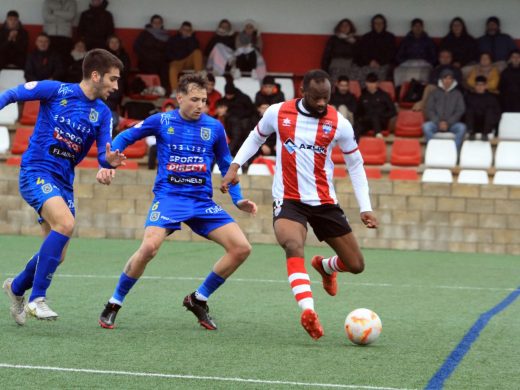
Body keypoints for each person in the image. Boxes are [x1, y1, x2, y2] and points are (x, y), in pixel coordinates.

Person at [220, 69, 378, 340]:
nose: (321, 103)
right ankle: (308, 311)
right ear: (303, 92)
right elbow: (256, 137)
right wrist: (235, 165)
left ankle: (326, 267)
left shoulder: (339, 123)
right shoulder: (278, 113)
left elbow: (355, 164)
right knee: (293, 244)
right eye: (316, 98)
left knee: (356, 264)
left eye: (325, 98)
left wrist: (365, 206)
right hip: (289, 199)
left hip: (324, 202)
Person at [97, 73, 257, 330]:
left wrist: (238, 200)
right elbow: (126, 137)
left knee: (242, 248)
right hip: (170, 198)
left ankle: (198, 299)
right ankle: (114, 303)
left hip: (201, 202)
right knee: (149, 248)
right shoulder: (161, 121)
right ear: (179, 98)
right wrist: (108, 161)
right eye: (194, 99)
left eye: (204, 100)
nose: (200, 105)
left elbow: (228, 166)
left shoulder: (214, 127)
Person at [1, 48, 126, 325]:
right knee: (66, 225)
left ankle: (17, 288)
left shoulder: (103, 114)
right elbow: (11, 95)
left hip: (63, 182)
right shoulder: (55, 91)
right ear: (96, 75)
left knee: (58, 255)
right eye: (113, 79)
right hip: (36, 170)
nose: (116, 87)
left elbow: (103, 154)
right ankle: (37, 299)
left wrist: (111, 163)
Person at [423, 68, 466, 150]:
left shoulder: (458, 94)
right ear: (441, 80)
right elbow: (429, 109)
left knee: (462, 128)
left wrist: (448, 123)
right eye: (445, 78)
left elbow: (460, 110)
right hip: (436, 123)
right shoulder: (434, 93)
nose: (447, 80)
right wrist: (438, 122)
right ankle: (434, 149)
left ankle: (455, 151)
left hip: (452, 124)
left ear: (453, 80)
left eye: (450, 78)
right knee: (426, 127)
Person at [394, 18, 436, 87]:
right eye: (415, 26)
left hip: (423, 63)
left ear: (423, 28)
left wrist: (425, 61)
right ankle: (401, 90)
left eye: (420, 26)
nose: (418, 28)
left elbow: (433, 56)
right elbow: (399, 56)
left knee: (427, 73)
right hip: (408, 63)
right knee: (397, 71)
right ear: (412, 28)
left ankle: (423, 90)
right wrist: (407, 61)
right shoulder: (405, 41)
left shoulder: (428, 41)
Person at [355, 14, 396, 82]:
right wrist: (370, 62)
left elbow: (391, 53)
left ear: (384, 24)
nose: (378, 25)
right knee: (359, 72)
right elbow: (362, 52)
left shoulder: (390, 37)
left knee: (381, 72)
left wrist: (380, 62)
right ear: (372, 25)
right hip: (368, 64)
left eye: (381, 23)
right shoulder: (366, 37)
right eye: (376, 23)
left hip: (383, 64)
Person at [133, 14, 170, 90]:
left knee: (164, 68)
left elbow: (169, 50)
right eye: (155, 22)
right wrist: (146, 56)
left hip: (160, 60)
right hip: (146, 59)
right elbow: (136, 47)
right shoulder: (144, 34)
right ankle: (151, 90)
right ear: (151, 23)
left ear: (162, 24)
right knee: (150, 67)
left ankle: (163, 91)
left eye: (159, 22)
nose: (157, 24)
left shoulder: (166, 35)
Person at [166, 21, 203, 94]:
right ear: (180, 30)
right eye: (184, 29)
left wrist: (190, 38)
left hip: (188, 61)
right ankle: (175, 91)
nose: (186, 32)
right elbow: (168, 52)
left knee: (197, 52)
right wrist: (174, 58)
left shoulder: (193, 39)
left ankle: (198, 81)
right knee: (172, 69)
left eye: (188, 30)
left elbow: (195, 48)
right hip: (177, 61)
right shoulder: (173, 39)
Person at [355, 72, 396, 139]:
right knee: (357, 128)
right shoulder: (363, 96)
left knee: (374, 115)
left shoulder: (384, 95)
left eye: (373, 83)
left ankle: (378, 135)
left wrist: (382, 115)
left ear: (377, 83)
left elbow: (393, 111)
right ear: (366, 83)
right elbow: (358, 112)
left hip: (381, 122)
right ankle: (353, 147)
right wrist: (361, 119)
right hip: (367, 122)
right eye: (369, 82)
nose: (371, 85)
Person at [465, 76, 500, 141]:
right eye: (477, 85)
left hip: (487, 126)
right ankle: (471, 132)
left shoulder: (492, 98)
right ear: (475, 86)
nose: (480, 87)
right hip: (473, 125)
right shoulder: (469, 97)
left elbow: (497, 113)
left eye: (482, 85)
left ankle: (485, 134)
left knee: (489, 111)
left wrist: (492, 123)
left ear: (486, 86)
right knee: (469, 110)